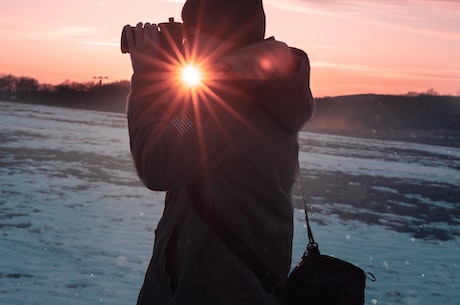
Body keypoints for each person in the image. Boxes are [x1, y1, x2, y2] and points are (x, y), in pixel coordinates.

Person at [125, 0, 315, 304]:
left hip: (209, 286)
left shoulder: (227, 101)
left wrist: (149, 77)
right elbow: (184, 130)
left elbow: (156, 164)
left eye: (191, 35)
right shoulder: (260, 88)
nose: (186, 44)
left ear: (216, 37)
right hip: (240, 285)